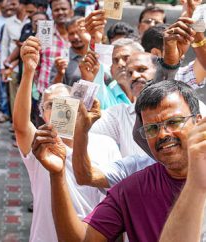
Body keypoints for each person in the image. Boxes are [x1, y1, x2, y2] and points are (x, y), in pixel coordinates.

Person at [32, 80, 206, 241]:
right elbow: (81, 239)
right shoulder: (133, 188)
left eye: (174, 122)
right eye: (151, 129)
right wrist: (57, 174)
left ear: (198, 121)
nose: (163, 134)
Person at [14, 36, 122, 242]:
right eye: (50, 105)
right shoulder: (41, 144)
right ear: (41, 114)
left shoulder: (106, 144)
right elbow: (20, 126)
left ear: (77, 106)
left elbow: (117, 195)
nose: (58, 110)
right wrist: (28, 71)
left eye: (65, 103)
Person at [50, 16, 90, 86]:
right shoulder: (62, 60)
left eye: (79, 32)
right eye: (71, 34)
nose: (76, 37)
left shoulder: (97, 54)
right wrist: (60, 74)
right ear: (67, 36)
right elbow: (52, 89)